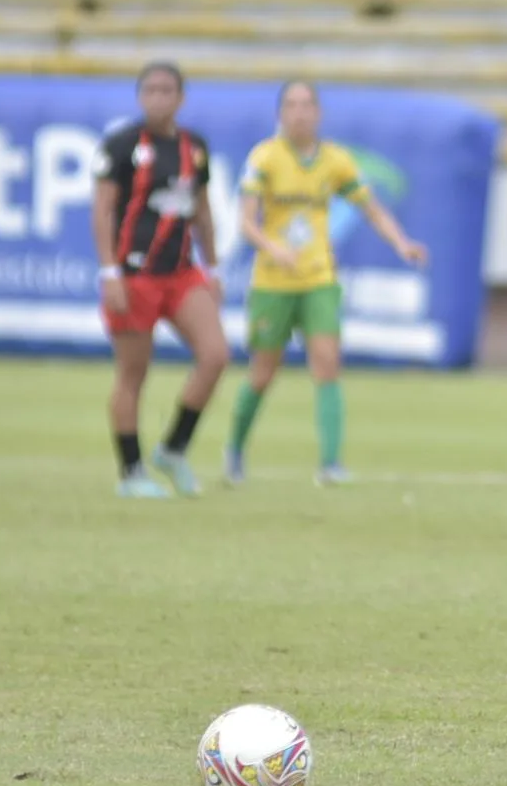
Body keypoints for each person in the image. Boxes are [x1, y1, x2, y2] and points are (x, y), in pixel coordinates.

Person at [225, 81, 427, 486]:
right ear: (280, 113)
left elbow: (371, 207)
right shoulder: (264, 157)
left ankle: (331, 464)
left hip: (319, 278)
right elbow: (246, 221)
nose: (300, 112)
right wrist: (273, 248)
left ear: (318, 113)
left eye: (306, 105)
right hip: (273, 282)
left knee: (327, 365)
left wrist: (401, 243)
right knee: (263, 372)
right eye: (292, 105)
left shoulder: (335, 160)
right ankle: (235, 450)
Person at [92, 61, 228, 498]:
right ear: (139, 96)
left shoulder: (194, 147)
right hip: (134, 274)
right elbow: (103, 211)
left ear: (181, 97)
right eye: (149, 90)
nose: (158, 98)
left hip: (182, 271)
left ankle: (174, 447)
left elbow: (202, 211)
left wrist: (214, 266)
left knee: (216, 355)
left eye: (166, 90)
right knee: (134, 373)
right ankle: (131, 472)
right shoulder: (121, 145)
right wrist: (110, 270)